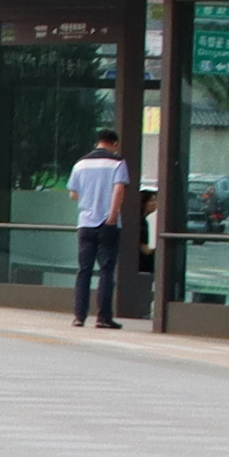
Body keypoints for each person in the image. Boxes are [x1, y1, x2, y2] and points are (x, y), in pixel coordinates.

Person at [67, 126, 131, 330]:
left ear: (97, 142)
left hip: (85, 223)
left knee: (83, 271)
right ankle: (103, 317)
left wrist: (88, 197)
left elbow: (73, 194)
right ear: (114, 143)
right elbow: (119, 189)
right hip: (107, 223)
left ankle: (79, 316)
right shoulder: (117, 162)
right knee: (106, 271)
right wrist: (112, 217)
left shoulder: (80, 164)